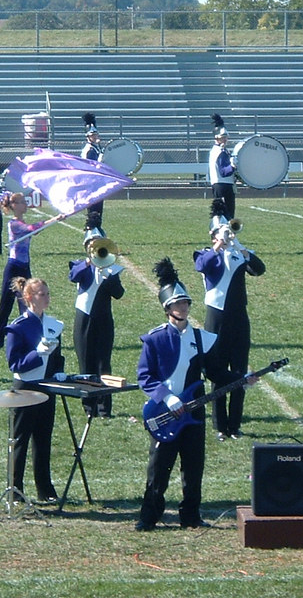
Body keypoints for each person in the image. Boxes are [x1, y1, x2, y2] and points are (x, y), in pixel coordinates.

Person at [135, 258, 252, 531]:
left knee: (193, 466)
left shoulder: (202, 338)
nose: (184, 307)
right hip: (165, 412)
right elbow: (145, 376)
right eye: (178, 303)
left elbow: (216, 373)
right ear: (168, 308)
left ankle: (190, 515)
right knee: (158, 468)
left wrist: (242, 379)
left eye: (186, 303)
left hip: (194, 412)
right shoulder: (154, 339)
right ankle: (149, 515)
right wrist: (167, 397)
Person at [194, 199, 265, 440]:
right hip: (216, 319)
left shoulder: (239, 254)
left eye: (227, 230)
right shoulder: (206, 254)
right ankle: (219, 425)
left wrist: (241, 247)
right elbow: (201, 266)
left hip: (239, 319)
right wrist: (219, 245)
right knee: (218, 371)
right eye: (219, 231)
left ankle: (235, 425)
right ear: (212, 234)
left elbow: (259, 269)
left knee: (239, 372)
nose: (225, 234)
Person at [5, 277, 62, 503]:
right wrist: (37, 354)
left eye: (48, 294)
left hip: (47, 386)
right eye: (41, 294)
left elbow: (58, 355)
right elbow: (14, 364)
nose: (46, 298)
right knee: (20, 440)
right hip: (25, 388)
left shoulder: (54, 324)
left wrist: (59, 370)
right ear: (28, 298)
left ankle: (45, 489)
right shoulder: (18, 327)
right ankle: (15, 489)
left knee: (43, 439)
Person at [0, 193, 64, 348]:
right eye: (22, 202)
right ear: (13, 206)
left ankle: (31, 336)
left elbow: (33, 230)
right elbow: (32, 229)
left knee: (27, 304)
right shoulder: (14, 224)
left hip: (24, 266)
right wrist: (54, 219)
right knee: (6, 306)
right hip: (14, 267)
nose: (25, 205)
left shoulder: (21, 222)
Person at [69, 212, 125, 418]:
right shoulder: (78, 265)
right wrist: (88, 263)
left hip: (104, 321)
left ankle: (104, 407)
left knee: (104, 364)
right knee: (86, 362)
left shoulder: (112, 269)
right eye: (91, 244)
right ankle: (88, 405)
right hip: (84, 319)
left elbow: (119, 294)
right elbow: (73, 276)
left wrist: (109, 276)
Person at [208, 113, 236, 219]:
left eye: (226, 137)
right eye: (223, 137)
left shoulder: (216, 150)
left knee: (220, 214)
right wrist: (233, 166)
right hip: (223, 185)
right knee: (226, 215)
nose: (225, 140)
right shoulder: (220, 151)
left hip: (220, 185)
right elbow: (224, 172)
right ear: (217, 138)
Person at [81, 112, 105, 225]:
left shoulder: (95, 148)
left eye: (96, 135)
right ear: (88, 137)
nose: (95, 137)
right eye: (93, 135)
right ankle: (92, 230)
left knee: (98, 210)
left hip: (96, 182)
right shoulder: (89, 150)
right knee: (94, 211)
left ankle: (96, 228)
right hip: (92, 183)